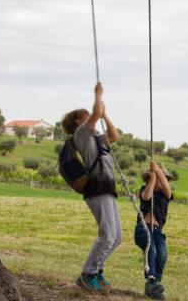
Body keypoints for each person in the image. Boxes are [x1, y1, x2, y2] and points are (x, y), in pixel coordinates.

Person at [61, 82, 121, 294]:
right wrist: (98, 94)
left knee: (117, 237)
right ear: (79, 121)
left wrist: (104, 116)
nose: (92, 118)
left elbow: (114, 136)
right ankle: (87, 274)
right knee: (107, 235)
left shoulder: (96, 138)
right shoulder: (81, 135)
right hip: (96, 188)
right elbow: (94, 113)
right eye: (87, 116)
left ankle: (97, 270)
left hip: (107, 187)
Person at [136, 161, 174, 300]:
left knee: (162, 253)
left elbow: (168, 190)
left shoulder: (166, 195)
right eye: (155, 179)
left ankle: (155, 283)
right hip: (144, 228)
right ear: (148, 180)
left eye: (162, 179)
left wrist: (157, 171)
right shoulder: (144, 190)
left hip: (157, 231)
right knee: (151, 249)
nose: (160, 181)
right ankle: (151, 279)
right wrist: (153, 178)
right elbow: (146, 197)